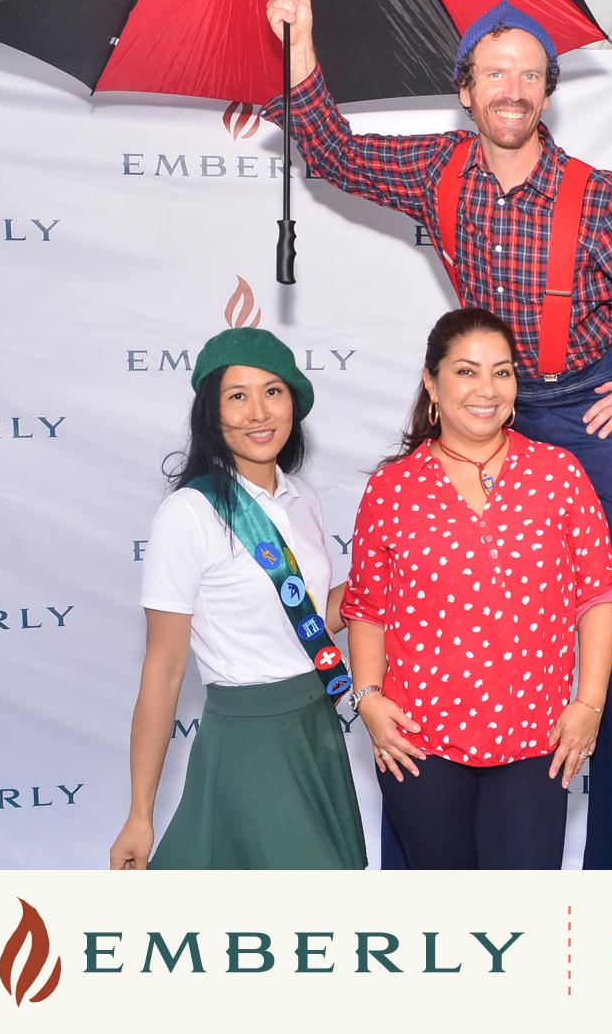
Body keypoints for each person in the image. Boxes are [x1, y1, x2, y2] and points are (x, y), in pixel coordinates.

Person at [265, 0, 612, 869]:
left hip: (591, 406)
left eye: (530, 76)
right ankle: (437, 835)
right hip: (492, 401)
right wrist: (302, 42)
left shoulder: (601, 197)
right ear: (465, 91)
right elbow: (333, 155)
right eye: (494, 74)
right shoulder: (435, 169)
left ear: (547, 93)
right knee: (438, 590)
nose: (513, 90)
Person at [341, 307, 612, 869]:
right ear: (432, 384)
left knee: (521, 922)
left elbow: (598, 595)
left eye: (502, 372)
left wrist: (589, 704)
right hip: (418, 740)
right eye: (467, 372)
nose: (486, 389)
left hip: (537, 738)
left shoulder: (558, 473)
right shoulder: (392, 487)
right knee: (447, 924)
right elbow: (368, 606)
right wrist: (368, 699)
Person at [109, 327, 365, 870]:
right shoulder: (189, 514)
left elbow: (307, 620)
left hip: (314, 725)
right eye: (237, 396)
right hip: (249, 737)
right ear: (212, 412)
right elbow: (164, 669)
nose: (258, 412)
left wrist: (387, 582)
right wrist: (139, 814)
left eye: (273, 391)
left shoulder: (303, 499)